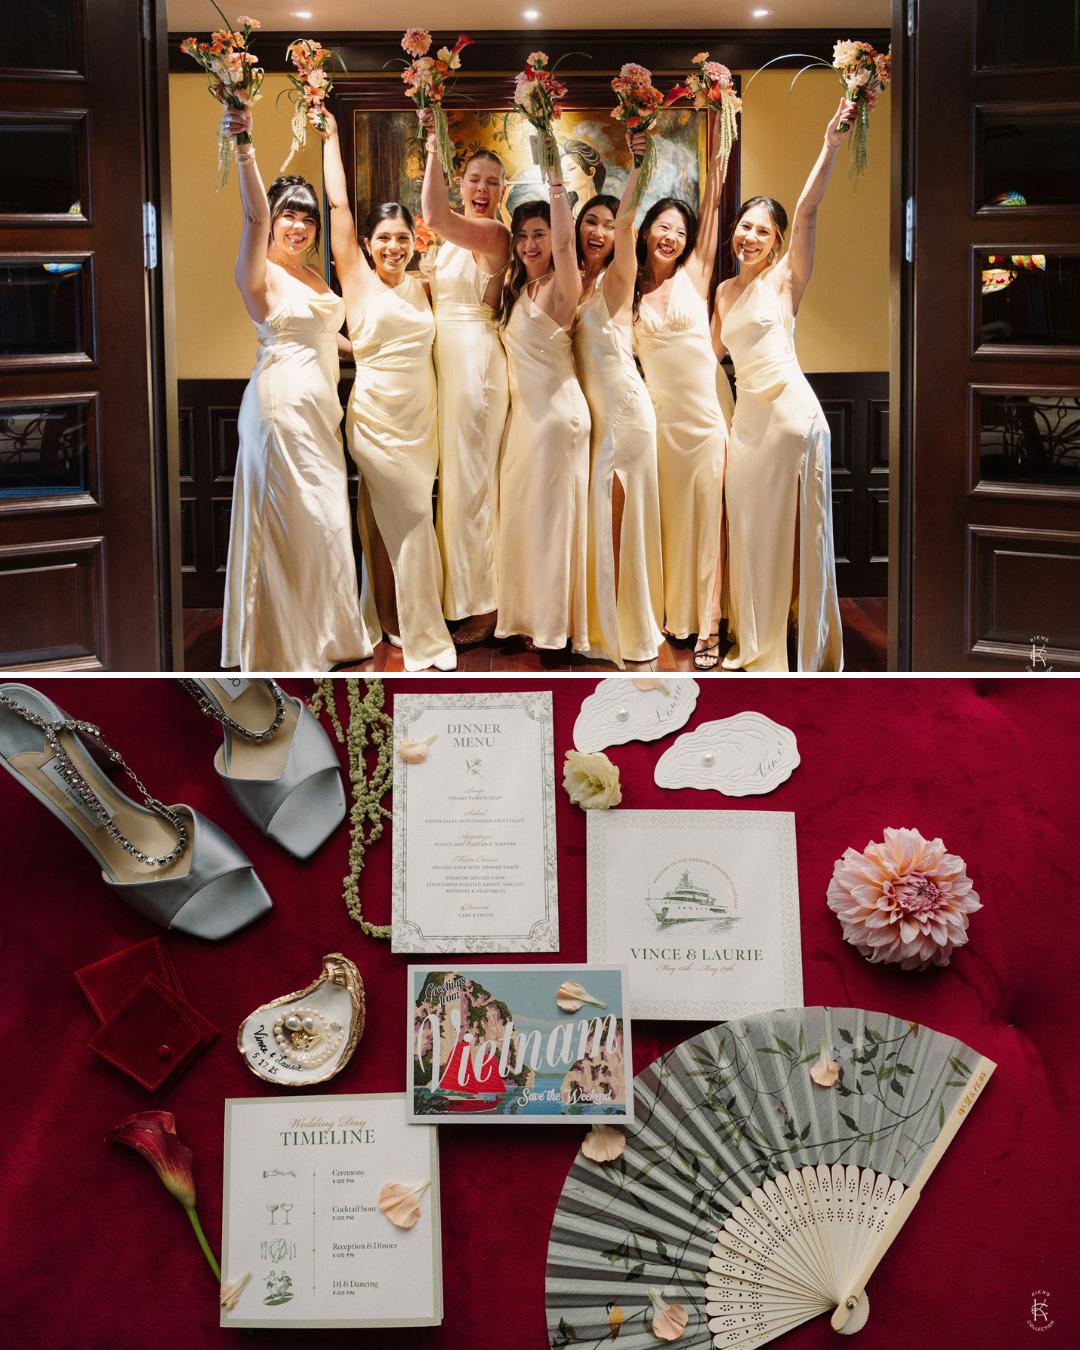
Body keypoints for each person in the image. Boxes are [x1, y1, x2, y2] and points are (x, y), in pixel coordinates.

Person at [217, 105, 372, 672]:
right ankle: (284, 645)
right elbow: (253, 218)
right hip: (279, 410)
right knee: (290, 522)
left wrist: (380, 352)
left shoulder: (312, 275)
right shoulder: (256, 271)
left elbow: (328, 338)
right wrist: (246, 147)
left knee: (324, 521)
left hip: (320, 413)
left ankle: (328, 637)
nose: (298, 225)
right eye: (289, 215)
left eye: (305, 217)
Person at [712, 101, 848, 672]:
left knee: (797, 531)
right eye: (745, 226)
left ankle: (802, 646)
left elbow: (811, 209)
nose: (749, 237)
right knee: (748, 529)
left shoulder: (786, 280)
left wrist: (831, 144)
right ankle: (755, 639)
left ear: (776, 241)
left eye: (762, 231)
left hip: (792, 415)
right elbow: (709, 356)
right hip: (747, 423)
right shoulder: (722, 292)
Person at [322, 111, 456, 672]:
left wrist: (432, 145)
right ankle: (425, 633)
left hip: (422, 420)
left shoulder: (427, 288)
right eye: (385, 238)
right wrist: (330, 137)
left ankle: (390, 619)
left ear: (414, 242)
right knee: (411, 518)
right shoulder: (354, 276)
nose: (394, 247)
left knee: (392, 517)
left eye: (403, 238)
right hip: (374, 420)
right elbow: (338, 209)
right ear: (369, 244)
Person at [633, 110, 733, 669]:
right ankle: (677, 617)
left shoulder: (695, 277)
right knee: (670, 524)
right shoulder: (627, 293)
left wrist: (719, 122)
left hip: (703, 423)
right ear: (647, 230)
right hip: (659, 427)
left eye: (680, 230)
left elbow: (714, 200)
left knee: (708, 521)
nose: (671, 236)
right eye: (662, 227)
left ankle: (711, 624)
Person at [417, 110, 511, 648]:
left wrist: (433, 142)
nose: (482, 189)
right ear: (463, 183)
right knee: (457, 484)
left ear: (502, 194)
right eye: (474, 179)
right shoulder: (451, 245)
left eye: (492, 183)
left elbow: (432, 211)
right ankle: (464, 597)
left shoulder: (494, 235)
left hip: (477, 363)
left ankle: (487, 605)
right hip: (448, 365)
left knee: (474, 486)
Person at [572, 133, 664, 666]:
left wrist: (638, 164)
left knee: (618, 517)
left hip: (626, 412)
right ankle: (602, 623)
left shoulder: (617, 278)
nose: (601, 230)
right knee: (602, 517)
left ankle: (623, 630)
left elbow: (629, 223)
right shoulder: (571, 283)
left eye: (609, 225)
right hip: (594, 417)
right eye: (592, 221)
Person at [495, 157, 591, 653]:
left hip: (557, 418)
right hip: (524, 423)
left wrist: (554, 175)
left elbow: (564, 243)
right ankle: (527, 618)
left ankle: (556, 631)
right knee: (524, 518)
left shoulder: (562, 287)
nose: (532, 245)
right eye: (523, 236)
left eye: (540, 235)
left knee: (554, 522)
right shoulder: (518, 288)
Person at [560, 138, 606, 214]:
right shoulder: (566, 210)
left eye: (571, 168)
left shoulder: (606, 207)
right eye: (561, 171)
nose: (564, 176)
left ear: (591, 172)